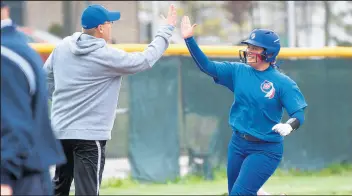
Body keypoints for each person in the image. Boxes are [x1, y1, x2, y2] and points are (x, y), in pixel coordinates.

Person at [44, 4, 177, 196]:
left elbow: (45, 78)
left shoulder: (63, 47)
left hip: (61, 132)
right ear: (100, 28)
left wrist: (60, 100)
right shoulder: (106, 55)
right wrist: (166, 30)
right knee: (88, 192)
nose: (111, 26)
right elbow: (145, 60)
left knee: (58, 189)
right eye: (109, 23)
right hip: (89, 138)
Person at [180, 16, 307, 196]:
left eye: (254, 48)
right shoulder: (238, 71)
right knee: (236, 192)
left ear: (269, 53)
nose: (248, 51)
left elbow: (299, 113)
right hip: (238, 144)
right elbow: (207, 66)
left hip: (266, 149)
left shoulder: (283, 83)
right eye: (248, 47)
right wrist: (189, 40)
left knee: (239, 194)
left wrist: (289, 125)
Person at [1, 1, 66, 195]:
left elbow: (13, 126)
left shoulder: (6, 53)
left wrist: (3, 178)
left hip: (18, 179)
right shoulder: (16, 44)